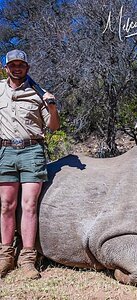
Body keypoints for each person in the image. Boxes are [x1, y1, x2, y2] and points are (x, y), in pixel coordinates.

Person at [0, 49, 60, 279]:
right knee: (6, 205)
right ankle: (5, 255)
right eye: (13, 65)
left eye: (21, 65)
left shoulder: (38, 94)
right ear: (6, 67)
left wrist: (52, 106)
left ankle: (27, 258)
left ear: (27, 68)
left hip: (32, 150)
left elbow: (54, 127)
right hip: (4, 151)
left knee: (29, 205)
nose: (17, 68)